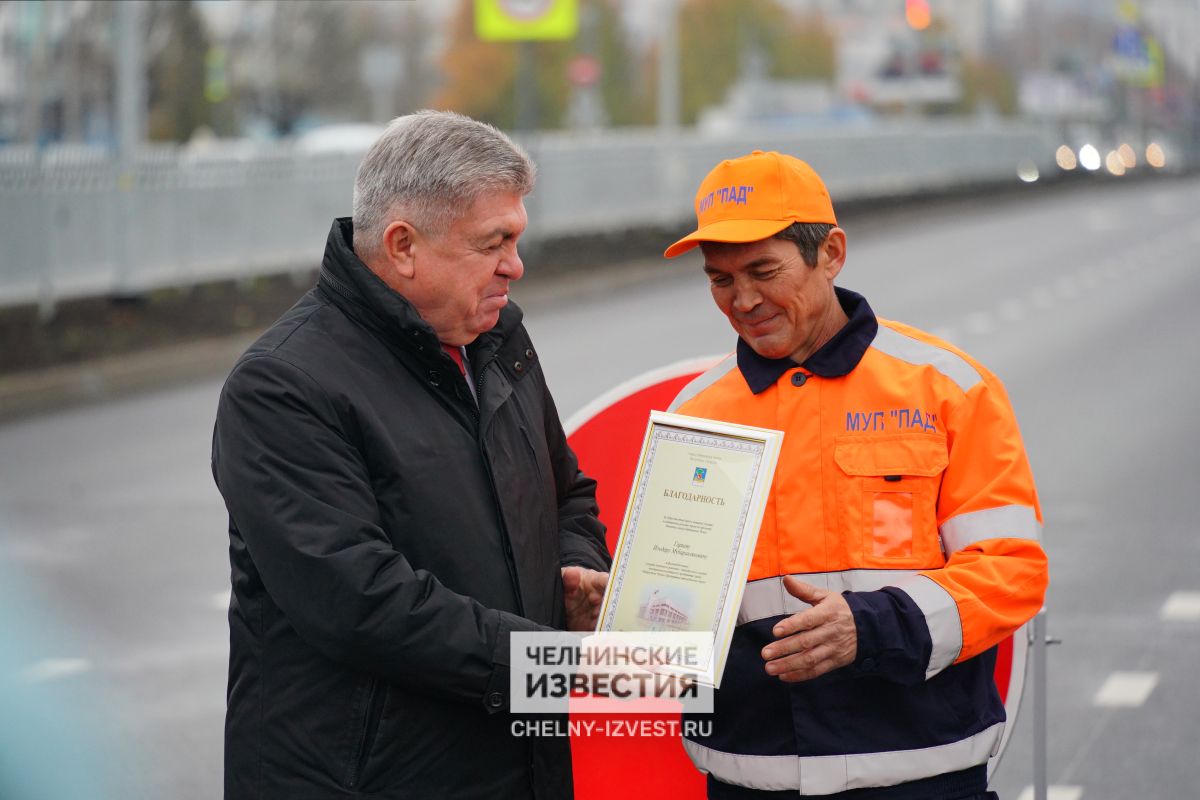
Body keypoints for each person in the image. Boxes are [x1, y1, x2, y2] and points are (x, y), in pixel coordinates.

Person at [211, 110, 610, 799]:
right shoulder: (283, 384)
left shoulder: (496, 338)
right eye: (495, 242)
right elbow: (359, 603)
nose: (515, 265)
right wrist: (555, 665)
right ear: (402, 246)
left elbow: (565, 492)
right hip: (367, 778)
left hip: (519, 763)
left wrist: (576, 575)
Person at [663, 151, 1048, 799]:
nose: (744, 299)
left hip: (921, 775)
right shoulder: (697, 415)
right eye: (721, 279)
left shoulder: (946, 388)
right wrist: (622, 609)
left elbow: (1012, 571)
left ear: (831, 253)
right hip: (748, 776)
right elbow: (675, 614)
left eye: (763, 270)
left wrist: (872, 627)